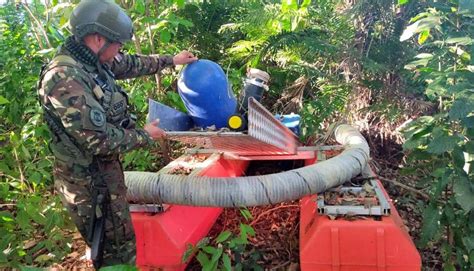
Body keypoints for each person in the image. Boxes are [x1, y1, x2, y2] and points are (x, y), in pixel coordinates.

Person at [37, 0, 197, 268]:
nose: (119, 52)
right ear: (99, 38)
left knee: (122, 245)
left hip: (105, 176)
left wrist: (172, 60)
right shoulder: (65, 77)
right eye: (118, 45)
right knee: (114, 253)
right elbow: (98, 139)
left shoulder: (93, 61)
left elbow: (132, 64)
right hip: (89, 186)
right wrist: (145, 135)